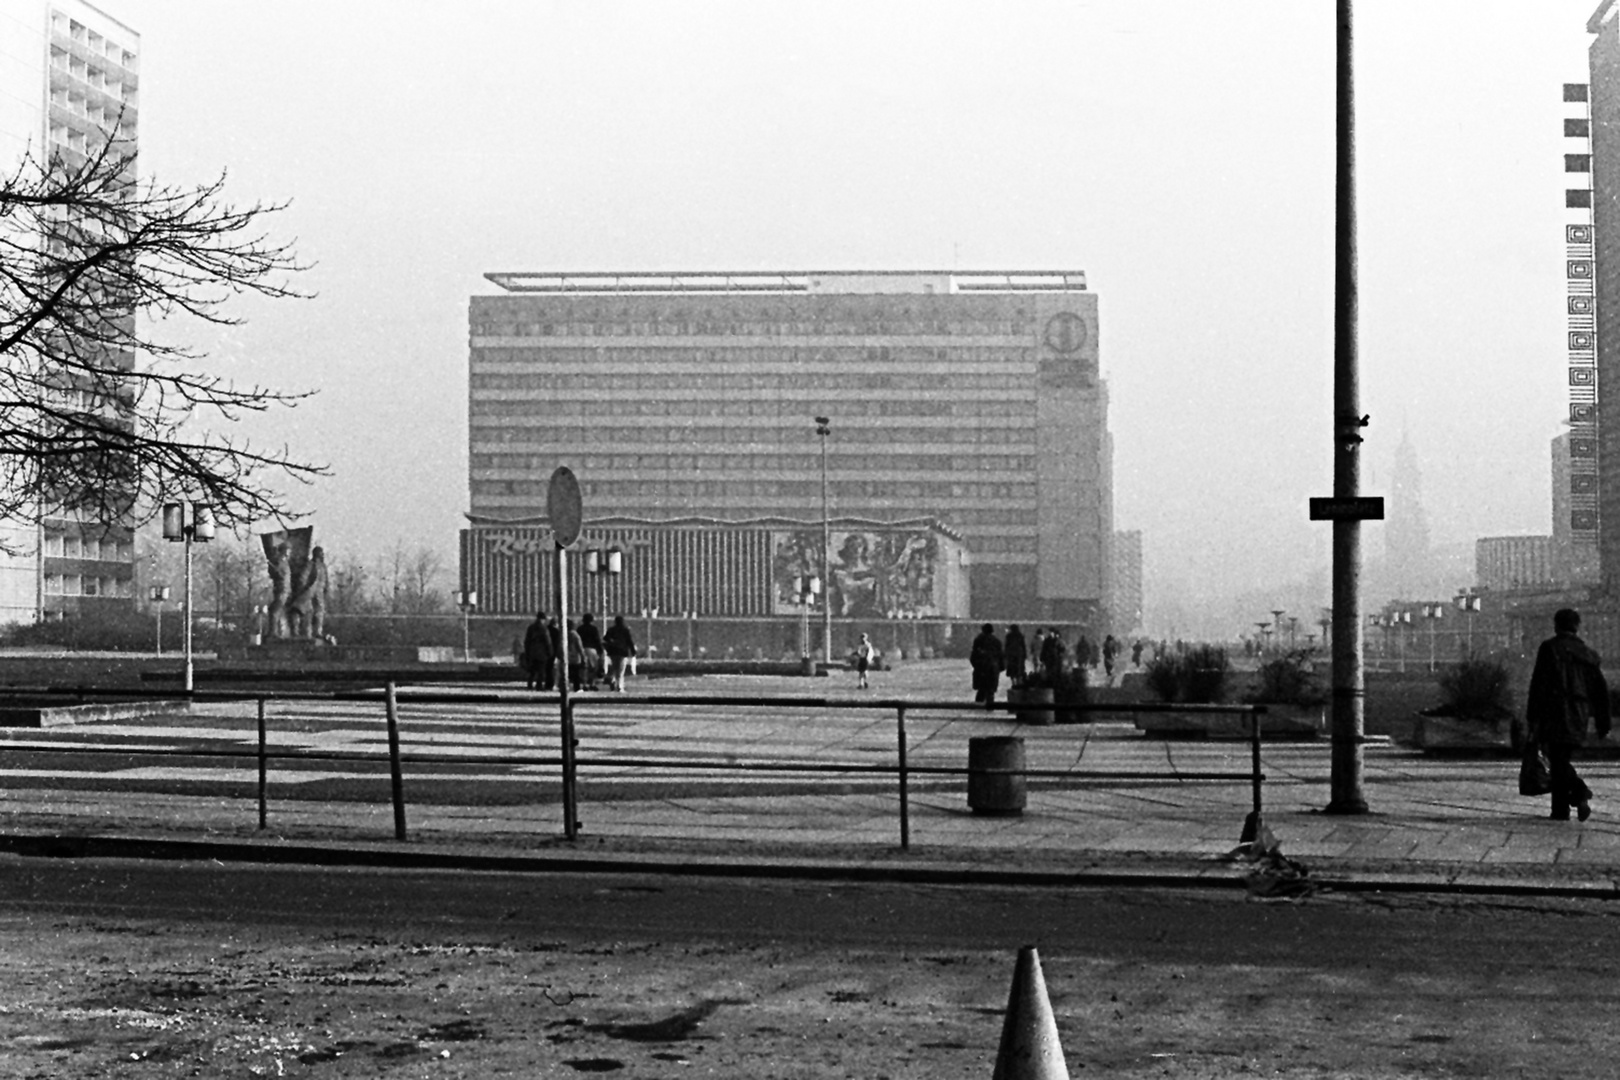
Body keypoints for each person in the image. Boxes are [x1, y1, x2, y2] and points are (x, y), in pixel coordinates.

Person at [1525, 607, 1612, 821]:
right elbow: (1599, 690)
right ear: (1577, 626)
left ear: (1556, 625)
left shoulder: (1549, 648)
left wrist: (1532, 716)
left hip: (1554, 710)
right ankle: (1562, 808)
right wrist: (1603, 721)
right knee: (1560, 758)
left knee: (1557, 760)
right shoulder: (1589, 654)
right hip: (1579, 713)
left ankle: (1572, 801)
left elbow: (1539, 684)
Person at [969, 623, 1004, 709]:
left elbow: (973, 655)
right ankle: (990, 706)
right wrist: (1000, 667)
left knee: (981, 690)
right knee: (990, 690)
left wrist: (976, 665)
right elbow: (1001, 656)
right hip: (993, 668)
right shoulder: (996, 641)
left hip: (981, 668)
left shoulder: (978, 640)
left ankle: (978, 707)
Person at [603, 614, 637, 692]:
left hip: (612, 651)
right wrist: (633, 651)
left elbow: (605, 639)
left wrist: (611, 642)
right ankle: (619, 685)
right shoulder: (625, 630)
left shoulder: (611, 630)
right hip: (622, 652)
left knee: (615, 667)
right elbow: (629, 641)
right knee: (621, 669)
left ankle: (613, 680)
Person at [522, 610, 553, 691]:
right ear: (543, 619)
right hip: (541, 653)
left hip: (532, 652)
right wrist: (550, 652)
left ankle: (530, 685)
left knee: (532, 670)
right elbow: (547, 641)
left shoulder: (531, 628)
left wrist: (527, 651)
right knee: (541, 671)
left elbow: (527, 641)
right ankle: (539, 686)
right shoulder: (544, 629)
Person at [578, 613, 605, 690]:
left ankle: (584, 684)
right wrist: (600, 650)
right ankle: (592, 683)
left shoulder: (580, 629)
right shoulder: (594, 629)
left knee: (584, 668)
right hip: (592, 649)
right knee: (593, 668)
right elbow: (597, 640)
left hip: (582, 649)